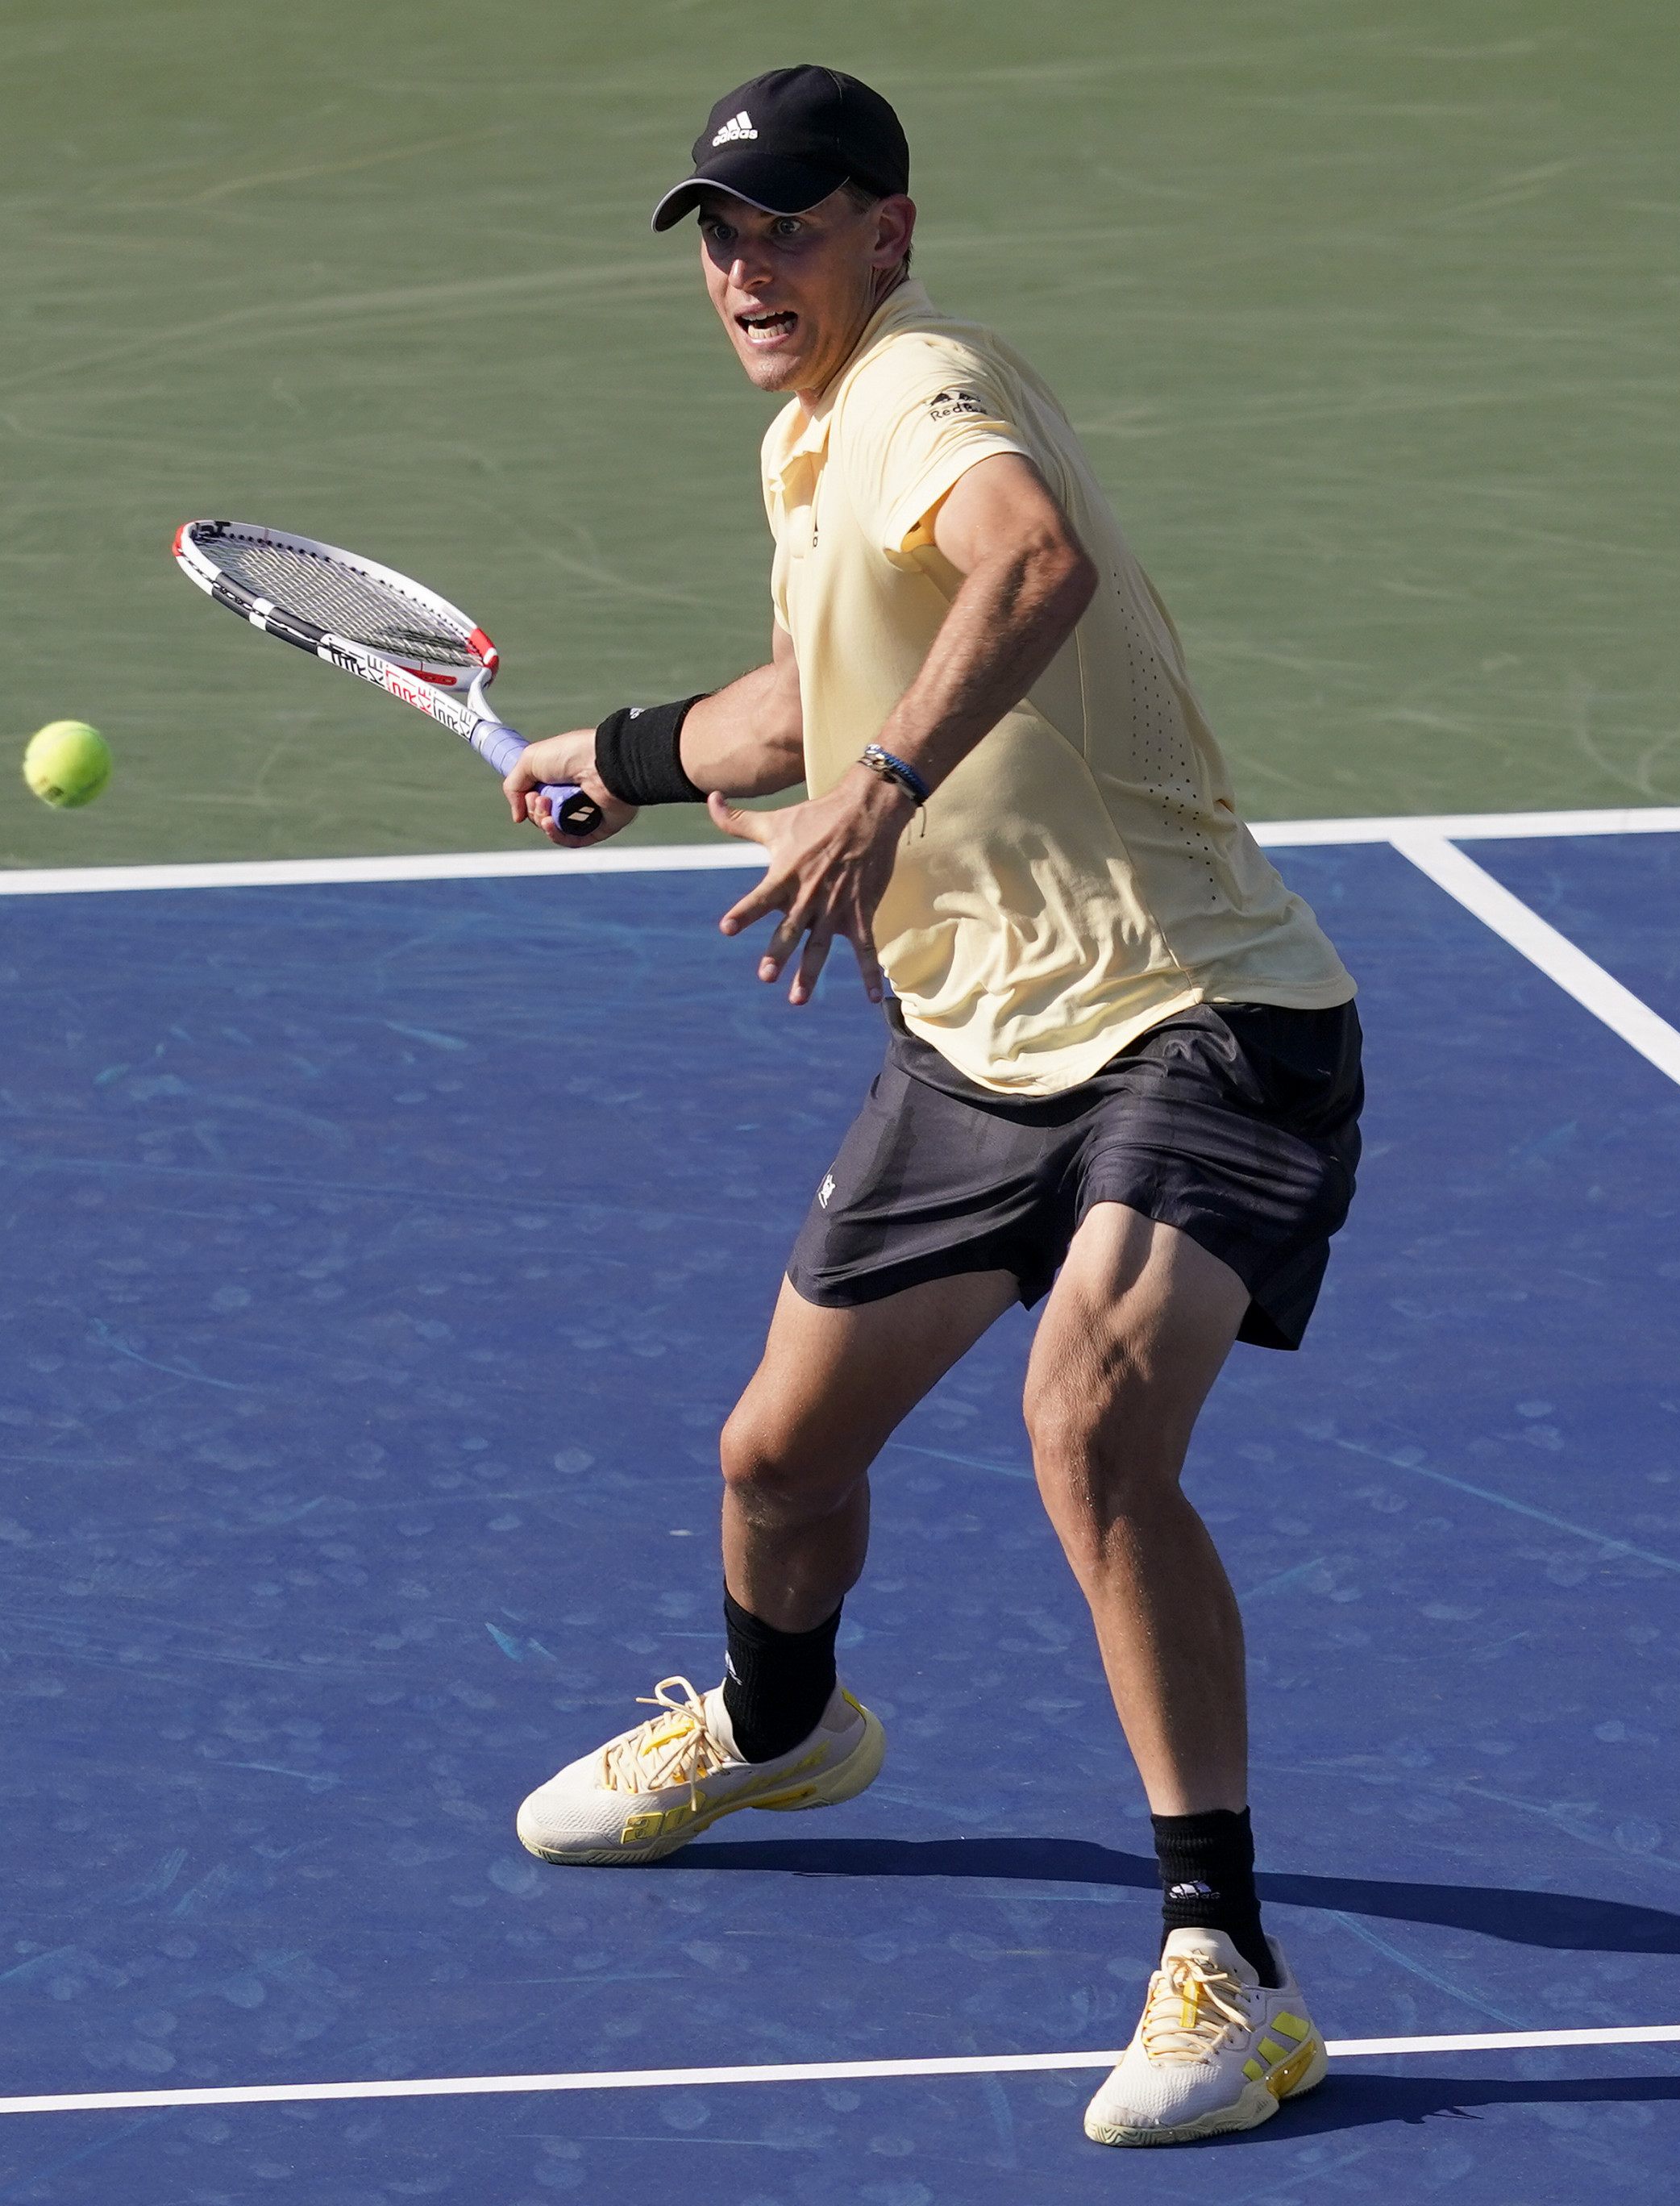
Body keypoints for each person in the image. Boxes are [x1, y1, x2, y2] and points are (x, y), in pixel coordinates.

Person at [503, 65, 1361, 2148]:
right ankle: (783, 1730)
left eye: (788, 225)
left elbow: (1030, 563)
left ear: (890, 230)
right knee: (777, 1465)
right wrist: (617, 757)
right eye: (719, 234)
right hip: (980, 1048)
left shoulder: (924, 390)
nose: (746, 267)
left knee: (1089, 1424)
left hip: (1196, 1018)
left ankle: (1226, 1966)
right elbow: (811, 686)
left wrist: (873, 805)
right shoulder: (818, 447)